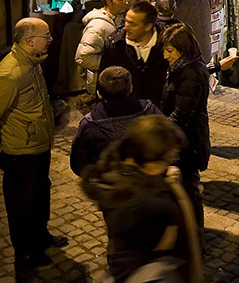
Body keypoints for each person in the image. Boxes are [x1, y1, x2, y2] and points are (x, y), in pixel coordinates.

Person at [0, 17, 67, 270]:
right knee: (21, 205)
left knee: (40, 195)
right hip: (19, 154)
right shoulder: (10, 75)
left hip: (36, 148)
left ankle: (40, 236)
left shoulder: (32, 63)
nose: (51, 39)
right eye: (47, 36)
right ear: (29, 41)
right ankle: (25, 253)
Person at [81, 115, 203, 283]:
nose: (172, 163)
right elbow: (167, 243)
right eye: (168, 158)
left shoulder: (113, 176)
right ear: (150, 163)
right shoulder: (153, 204)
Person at [160, 23, 211, 230]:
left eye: (169, 50)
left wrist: (155, 129)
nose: (165, 55)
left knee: (189, 192)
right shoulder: (182, 67)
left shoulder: (190, 73)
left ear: (184, 48)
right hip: (182, 142)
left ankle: (195, 238)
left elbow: (182, 115)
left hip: (188, 145)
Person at [70, 66, 162, 176]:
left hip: (109, 186)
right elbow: (168, 139)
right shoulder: (149, 110)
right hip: (147, 181)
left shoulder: (89, 125)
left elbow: (79, 164)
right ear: (131, 88)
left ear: (99, 94)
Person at [101, 1, 170, 104]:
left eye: (132, 24)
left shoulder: (168, 42)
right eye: (126, 21)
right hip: (127, 111)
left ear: (148, 27)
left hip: (160, 112)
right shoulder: (115, 45)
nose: (126, 27)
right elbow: (104, 82)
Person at [77, 0, 129, 89]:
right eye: (121, 0)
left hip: (110, 81)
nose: (126, 3)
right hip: (101, 83)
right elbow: (83, 57)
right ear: (109, 2)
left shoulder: (114, 20)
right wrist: (109, 63)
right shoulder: (98, 25)